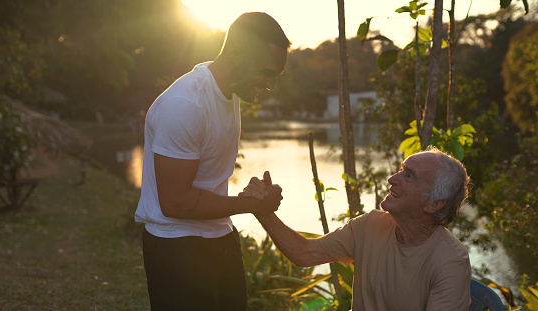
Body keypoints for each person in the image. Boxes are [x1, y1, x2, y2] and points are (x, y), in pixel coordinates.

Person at [134, 12, 288, 311]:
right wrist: (250, 204)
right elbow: (175, 203)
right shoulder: (184, 105)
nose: (270, 85)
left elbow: (207, 180)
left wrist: (252, 195)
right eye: (265, 72)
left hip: (221, 237)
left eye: (275, 77)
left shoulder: (229, 92)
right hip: (176, 246)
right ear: (235, 52)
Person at [242, 147, 472, 311]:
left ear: (434, 203)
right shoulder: (371, 225)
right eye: (400, 170)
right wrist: (263, 211)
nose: (392, 178)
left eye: (409, 176)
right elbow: (304, 253)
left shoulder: (450, 262)